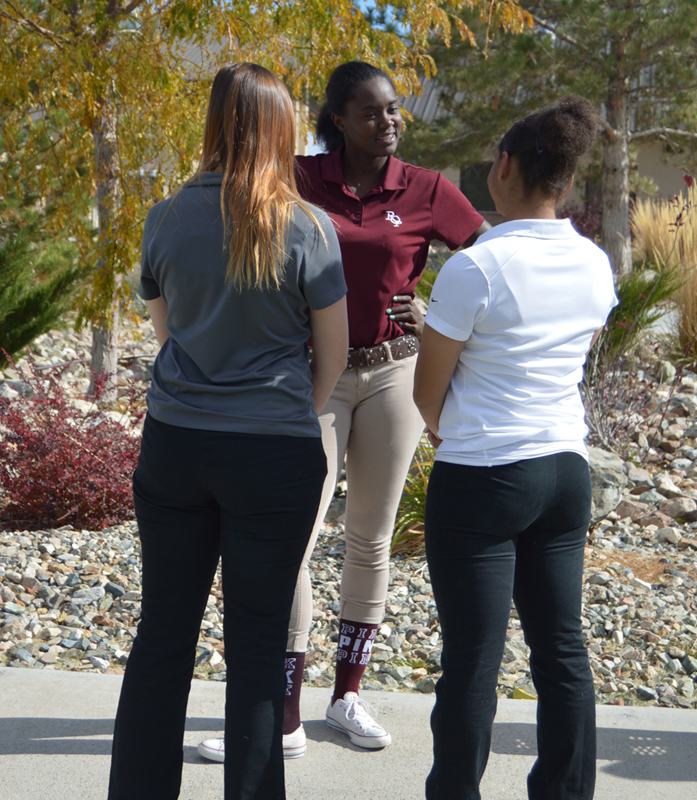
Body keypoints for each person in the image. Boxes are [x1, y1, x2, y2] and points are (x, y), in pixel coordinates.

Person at [198, 60, 489, 763]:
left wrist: (438, 310)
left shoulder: (425, 189)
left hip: (395, 375)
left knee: (370, 537)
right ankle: (286, 711)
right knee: (295, 536)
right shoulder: (297, 180)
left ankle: (347, 695)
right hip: (312, 379)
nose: (388, 122)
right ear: (336, 121)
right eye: (370, 112)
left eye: (393, 111)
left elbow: (490, 259)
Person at [107, 63, 348, 800]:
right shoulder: (308, 227)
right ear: (281, 129)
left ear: (214, 123)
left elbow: (167, 331)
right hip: (272, 453)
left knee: (162, 637)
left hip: (178, 446)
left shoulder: (164, 217)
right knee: (255, 646)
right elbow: (331, 355)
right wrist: (286, 412)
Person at [413, 95, 617, 800]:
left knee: (472, 657)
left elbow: (425, 394)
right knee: (562, 651)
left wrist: (452, 427)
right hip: (565, 470)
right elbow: (574, 356)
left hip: (485, 475)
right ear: (564, 180)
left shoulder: (477, 268)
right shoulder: (597, 264)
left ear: (503, 168)